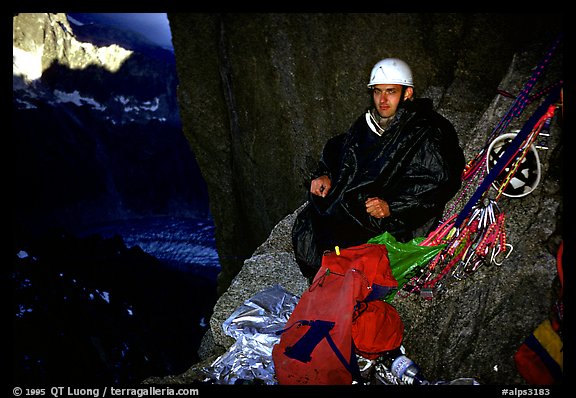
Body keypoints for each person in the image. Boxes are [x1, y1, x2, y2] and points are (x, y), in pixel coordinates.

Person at [292, 58, 466, 280]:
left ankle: (339, 264)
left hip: (393, 215)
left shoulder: (428, 131)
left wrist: (392, 206)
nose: (382, 100)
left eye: (391, 92)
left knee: (347, 241)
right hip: (359, 200)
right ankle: (335, 259)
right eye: (377, 92)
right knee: (311, 224)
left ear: (407, 93)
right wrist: (324, 173)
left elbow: (440, 181)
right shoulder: (370, 121)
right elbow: (341, 147)